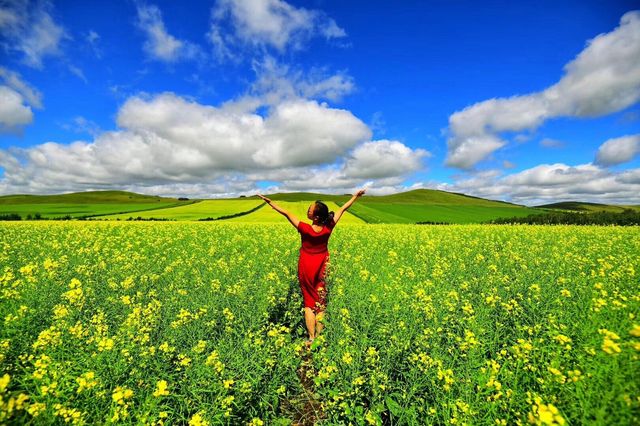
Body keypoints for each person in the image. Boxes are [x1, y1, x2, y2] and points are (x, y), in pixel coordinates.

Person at [257, 190, 366, 348]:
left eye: (310, 209)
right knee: (321, 302)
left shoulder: (305, 229)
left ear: (315, 216)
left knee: (309, 303)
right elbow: (343, 209)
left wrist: (269, 202)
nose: (307, 210)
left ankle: (311, 338)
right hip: (323, 264)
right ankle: (320, 339)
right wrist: (356, 196)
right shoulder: (328, 226)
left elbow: (286, 213)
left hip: (306, 265)